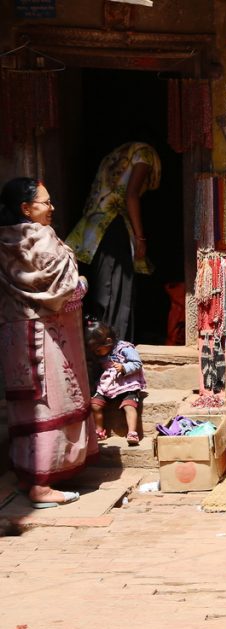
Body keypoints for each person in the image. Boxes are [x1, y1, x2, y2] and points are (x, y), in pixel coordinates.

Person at [0, 178, 97, 508]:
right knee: (50, 404)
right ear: (26, 208)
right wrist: (82, 283)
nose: (51, 208)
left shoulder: (3, 239)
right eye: (45, 202)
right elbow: (64, 289)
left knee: (27, 404)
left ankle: (30, 474)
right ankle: (42, 486)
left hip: (14, 332)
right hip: (45, 335)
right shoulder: (40, 236)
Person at [65, 141, 161, 342]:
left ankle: (103, 347)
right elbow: (131, 195)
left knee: (104, 292)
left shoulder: (112, 156)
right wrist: (140, 237)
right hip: (114, 227)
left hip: (95, 227)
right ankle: (116, 351)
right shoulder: (144, 152)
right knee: (118, 295)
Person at [86, 320, 146, 447]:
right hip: (109, 385)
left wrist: (124, 367)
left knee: (129, 406)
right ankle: (99, 431)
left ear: (108, 341)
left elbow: (137, 363)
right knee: (95, 405)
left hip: (127, 383)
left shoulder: (125, 348)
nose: (96, 354)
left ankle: (132, 433)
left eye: (97, 350)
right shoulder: (104, 352)